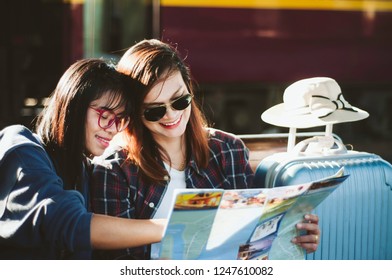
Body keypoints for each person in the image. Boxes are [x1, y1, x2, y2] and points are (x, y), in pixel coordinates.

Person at [90, 39, 321, 259]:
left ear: (190, 88)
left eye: (180, 101)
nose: (171, 115)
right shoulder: (115, 170)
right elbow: (116, 263)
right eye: (154, 110)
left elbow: (251, 242)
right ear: (135, 111)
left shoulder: (228, 150)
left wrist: (292, 235)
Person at [0, 58, 165, 259]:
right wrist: (169, 227)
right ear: (74, 104)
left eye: (120, 120)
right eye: (105, 116)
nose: (113, 129)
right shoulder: (22, 149)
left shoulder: (84, 170)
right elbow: (69, 223)